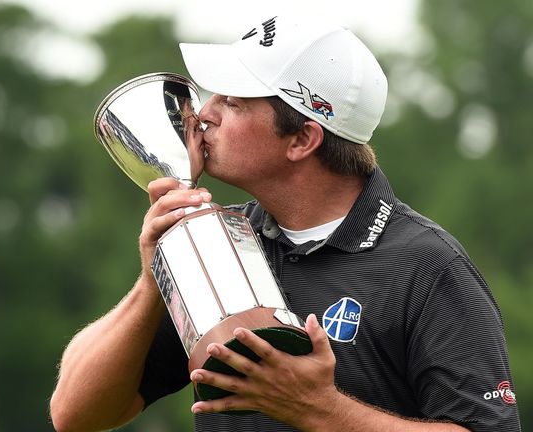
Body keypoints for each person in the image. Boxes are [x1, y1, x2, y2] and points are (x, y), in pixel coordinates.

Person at [49, 13, 521, 432]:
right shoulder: (215, 245)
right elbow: (76, 415)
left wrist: (322, 411)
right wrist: (156, 277)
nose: (203, 114)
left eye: (232, 102)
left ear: (302, 139)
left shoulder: (426, 264)